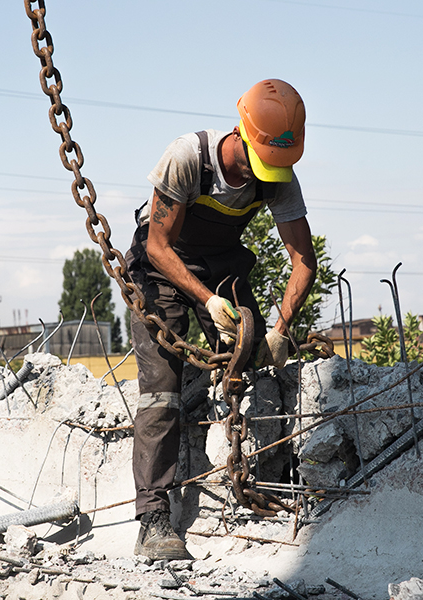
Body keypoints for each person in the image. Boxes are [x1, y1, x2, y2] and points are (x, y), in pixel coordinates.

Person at [124, 79, 317, 560]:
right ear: (243, 134)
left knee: (249, 364)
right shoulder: (188, 158)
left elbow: (304, 261)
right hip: (162, 269)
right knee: (161, 387)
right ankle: (153, 517)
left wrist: (279, 330)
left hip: (221, 264)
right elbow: (157, 245)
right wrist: (208, 301)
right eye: (265, 163)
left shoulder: (279, 177)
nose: (272, 175)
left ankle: (259, 476)